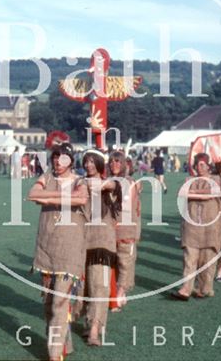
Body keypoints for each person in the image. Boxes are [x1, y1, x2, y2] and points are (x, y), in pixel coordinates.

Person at [27, 143, 88, 361]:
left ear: (71, 160)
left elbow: (81, 198)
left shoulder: (81, 181)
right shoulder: (46, 176)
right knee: (49, 305)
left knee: (59, 304)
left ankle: (54, 355)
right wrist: (61, 194)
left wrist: (48, 197)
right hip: (47, 248)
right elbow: (33, 194)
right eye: (55, 157)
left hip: (70, 250)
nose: (57, 161)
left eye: (63, 158)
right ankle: (66, 345)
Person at [171, 153, 221, 300]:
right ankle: (186, 289)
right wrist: (202, 194)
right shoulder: (189, 179)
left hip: (210, 226)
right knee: (189, 258)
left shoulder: (216, 179)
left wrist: (193, 192)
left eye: (202, 164)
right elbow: (181, 193)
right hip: (191, 225)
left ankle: (205, 289)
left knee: (208, 259)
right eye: (197, 164)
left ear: (208, 165)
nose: (199, 167)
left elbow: (215, 192)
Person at [80, 149, 118, 346]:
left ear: (100, 164)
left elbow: (111, 185)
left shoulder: (110, 184)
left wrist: (89, 184)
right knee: (84, 289)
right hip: (80, 242)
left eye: (92, 162)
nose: (88, 165)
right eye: (85, 162)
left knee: (100, 288)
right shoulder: (77, 183)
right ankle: (88, 324)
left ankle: (95, 329)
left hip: (102, 244)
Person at [107, 150, 141, 311]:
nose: (114, 165)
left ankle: (121, 291)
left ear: (124, 164)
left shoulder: (129, 182)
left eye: (118, 162)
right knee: (111, 262)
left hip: (126, 228)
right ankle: (114, 292)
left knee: (125, 261)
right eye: (112, 162)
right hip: (109, 229)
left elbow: (126, 206)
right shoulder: (108, 181)